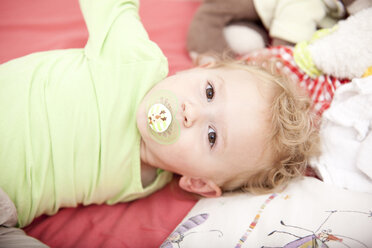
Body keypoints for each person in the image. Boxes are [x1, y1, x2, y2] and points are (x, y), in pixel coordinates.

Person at [0, 0, 319, 245]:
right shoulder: (136, 60)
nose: (191, 112)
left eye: (211, 136)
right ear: (199, 68)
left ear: (198, 182)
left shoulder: (144, 184)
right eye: (208, 91)